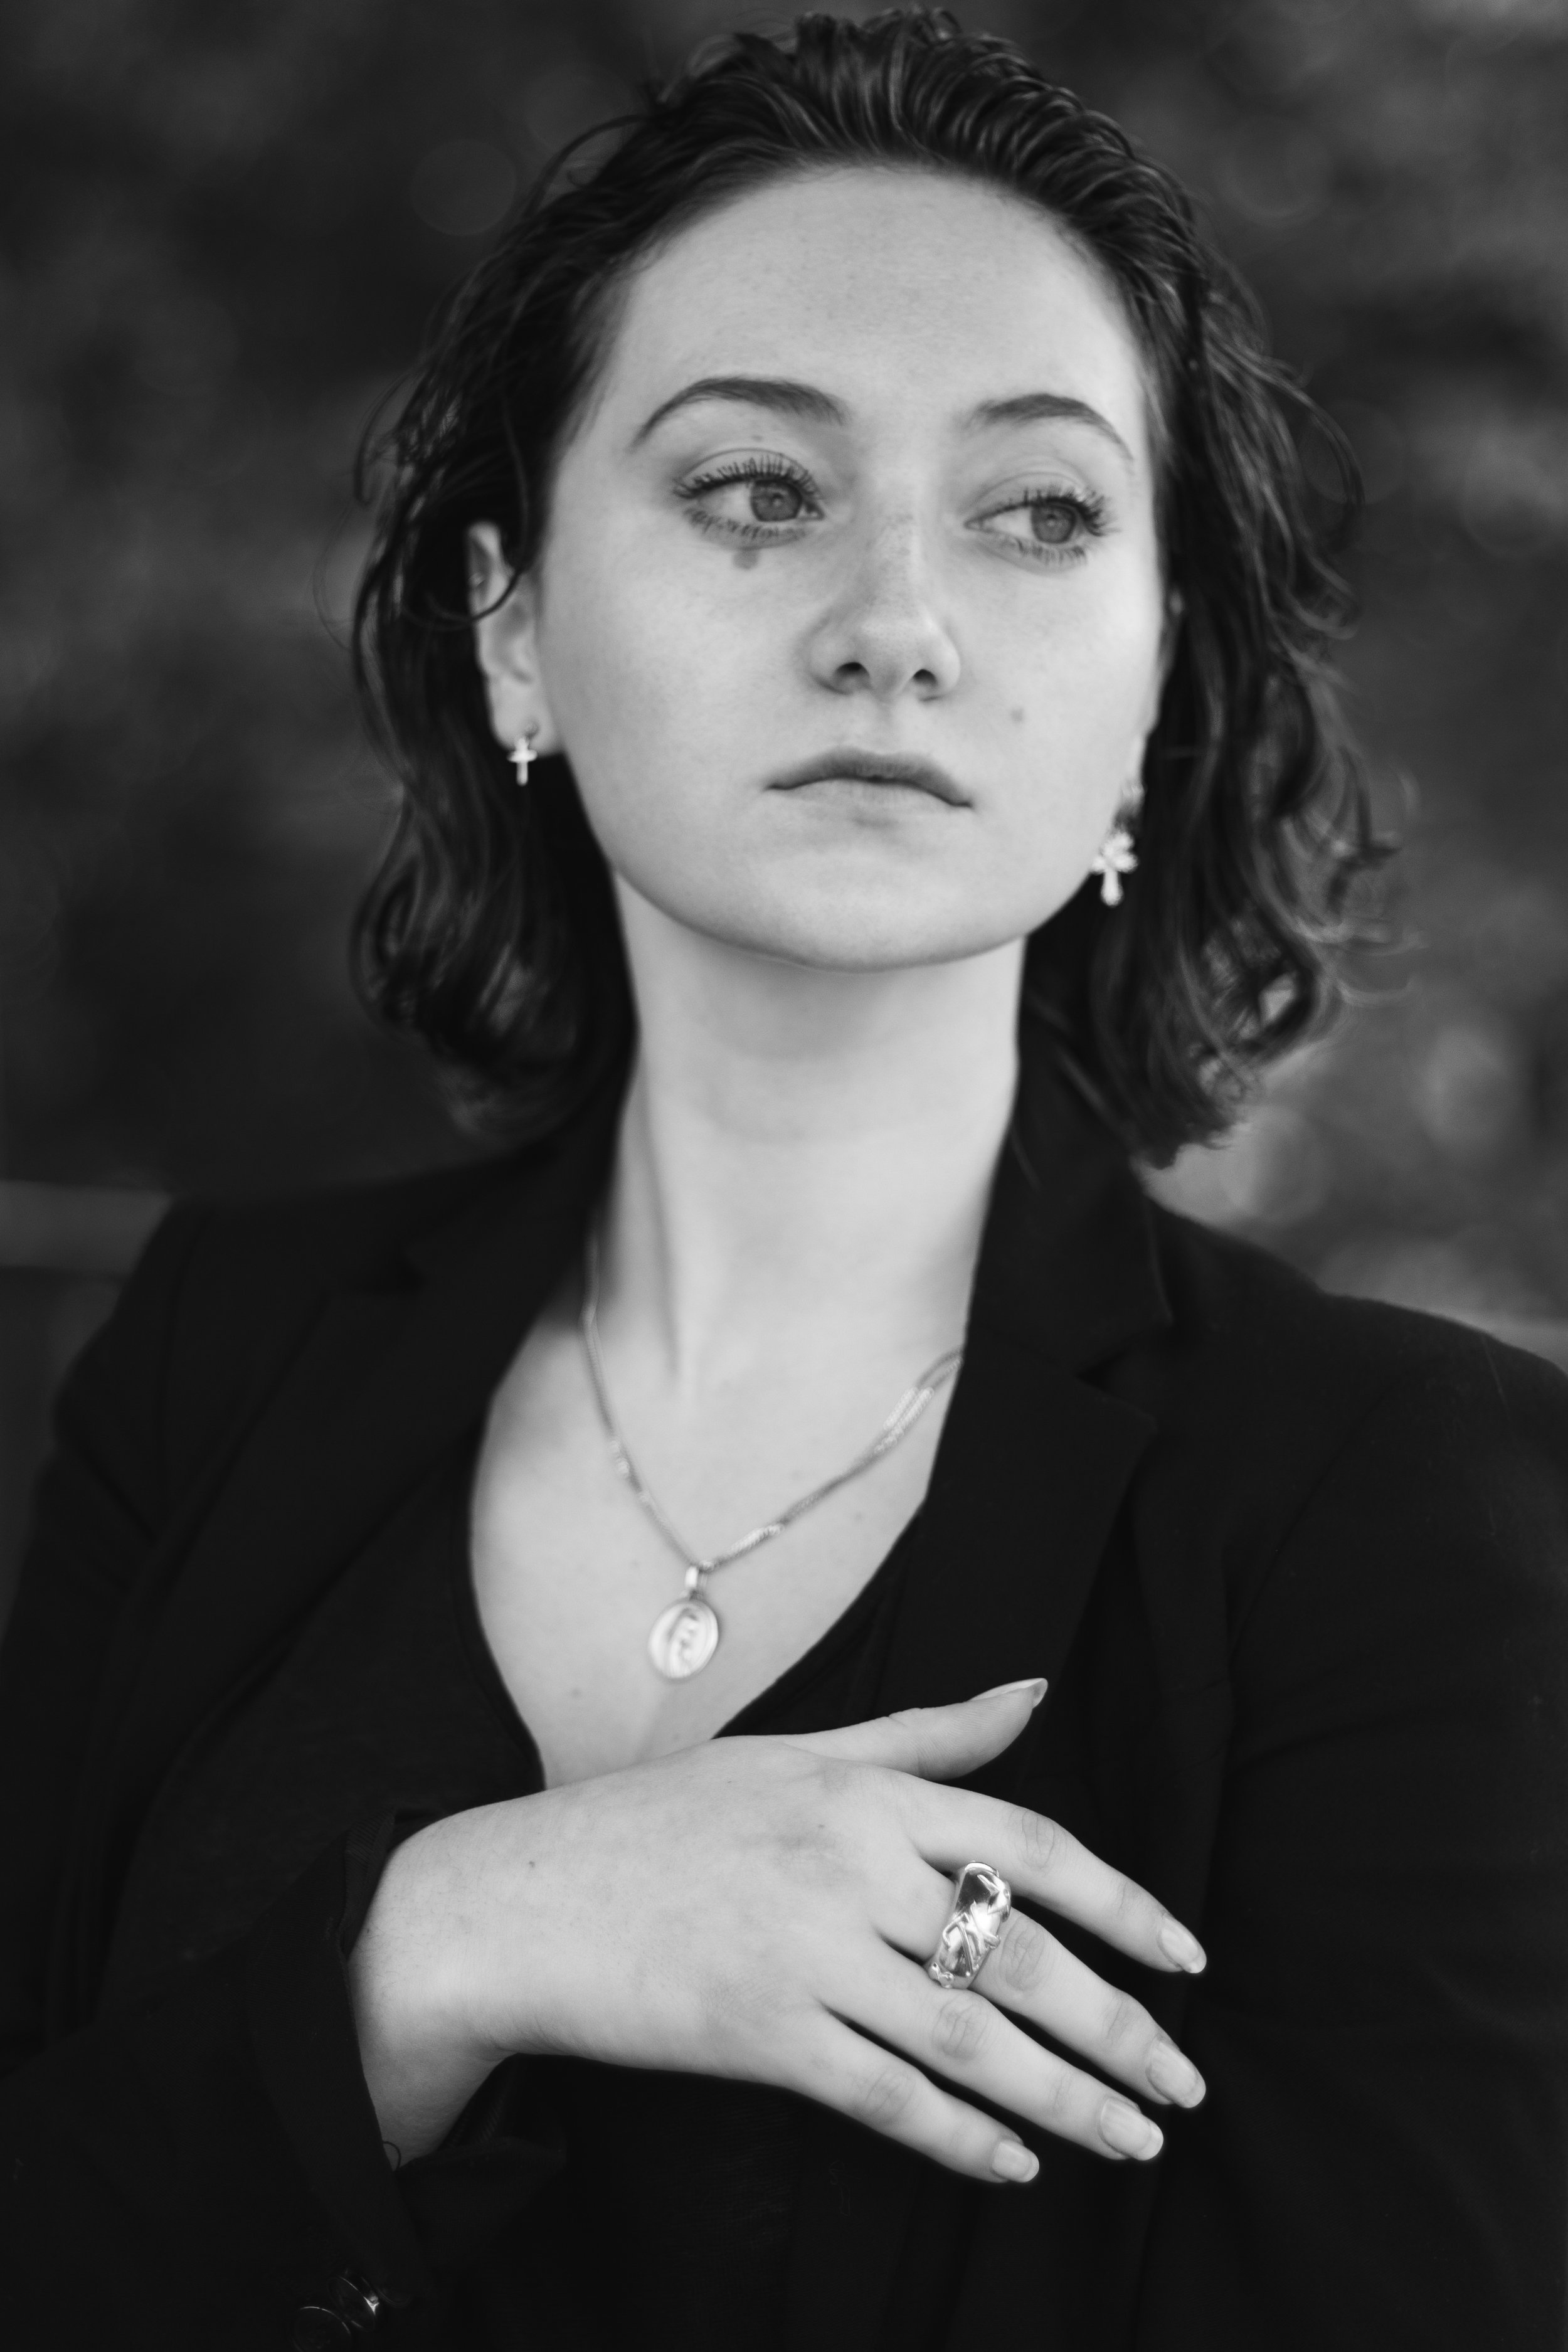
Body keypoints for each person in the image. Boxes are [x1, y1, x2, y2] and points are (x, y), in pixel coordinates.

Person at [1, 11, 1565, 2349]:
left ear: (1149, 692)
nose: (898, 623)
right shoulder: (210, 1360)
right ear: (514, 622)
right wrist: (452, 1939)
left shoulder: (1405, 1506)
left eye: (1036, 511)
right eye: (757, 487)